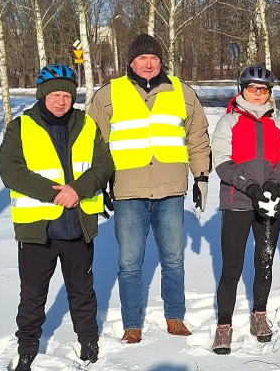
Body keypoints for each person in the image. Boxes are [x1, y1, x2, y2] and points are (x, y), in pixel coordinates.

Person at [89, 33, 211, 343]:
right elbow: (94, 144)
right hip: (128, 192)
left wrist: (201, 177)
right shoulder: (109, 95)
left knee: (173, 259)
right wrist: (99, 184)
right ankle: (132, 323)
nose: (148, 63)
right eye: (142, 58)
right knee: (129, 262)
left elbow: (197, 138)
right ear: (130, 61)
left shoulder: (182, 93)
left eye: (154, 58)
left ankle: (175, 316)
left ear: (161, 61)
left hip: (171, 190)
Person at [0, 64, 114, 371]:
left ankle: (88, 341)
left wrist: (77, 190)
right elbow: (10, 170)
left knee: (82, 290)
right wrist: (54, 193)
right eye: (54, 95)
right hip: (38, 231)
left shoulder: (87, 125)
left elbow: (104, 165)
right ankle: (27, 347)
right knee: (33, 294)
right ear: (42, 96)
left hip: (78, 226)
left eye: (66, 94)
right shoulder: (21, 127)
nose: (61, 101)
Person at [210, 65, 280, 354]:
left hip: (269, 202)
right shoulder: (228, 121)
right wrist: (250, 187)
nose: (258, 94)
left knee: (264, 260)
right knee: (232, 266)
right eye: (252, 88)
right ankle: (224, 325)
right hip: (238, 202)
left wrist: (271, 185)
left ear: (269, 93)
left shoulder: (278, 123)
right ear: (242, 89)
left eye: (263, 89)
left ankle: (259, 314)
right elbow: (222, 162)